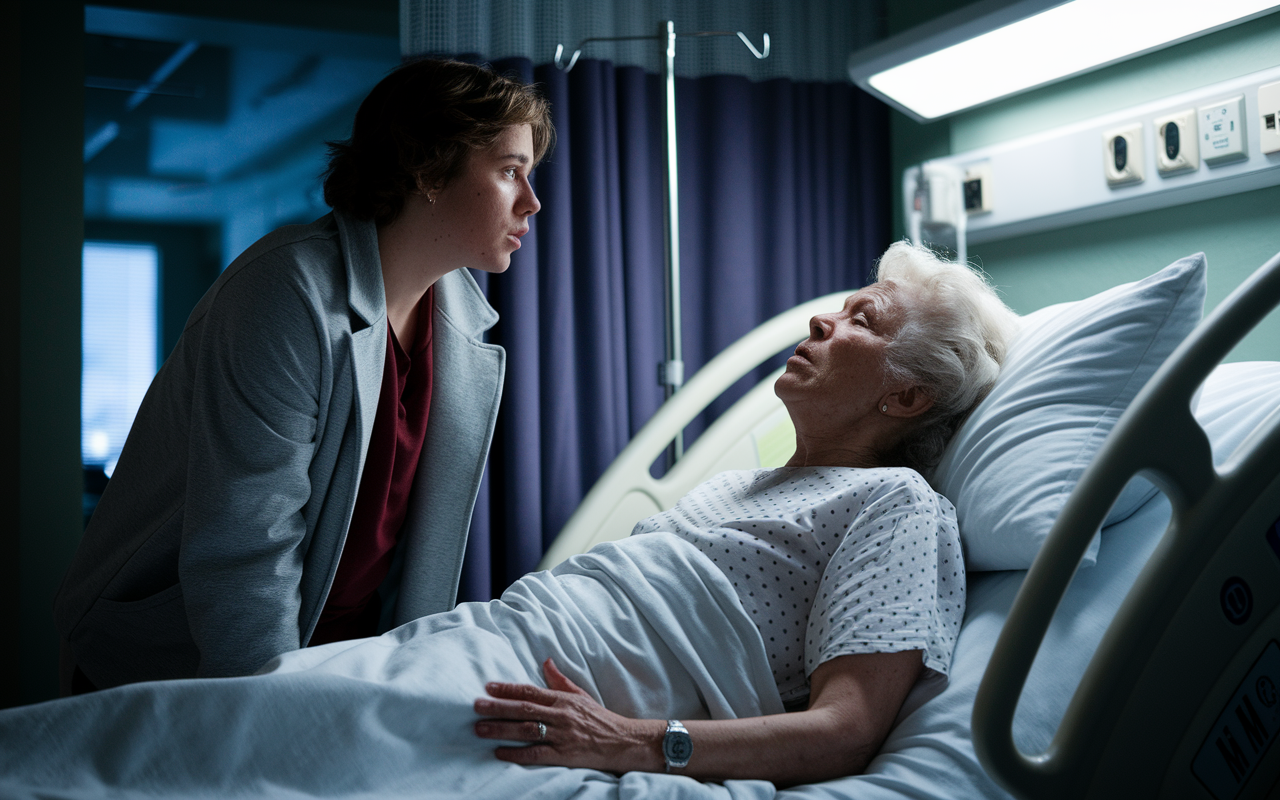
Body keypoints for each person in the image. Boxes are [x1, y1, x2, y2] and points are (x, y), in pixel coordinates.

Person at [54, 59, 554, 691]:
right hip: (176, 664)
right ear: (428, 167)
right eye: (511, 171)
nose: (532, 202)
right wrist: (276, 722)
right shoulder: (285, 295)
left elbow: (417, 566)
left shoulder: (457, 322)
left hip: (338, 664)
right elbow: (244, 558)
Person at [472, 240, 1021, 786]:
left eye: (863, 319)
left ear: (905, 398)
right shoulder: (734, 485)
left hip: (556, 694)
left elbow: (845, 730)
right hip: (515, 631)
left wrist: (625, 739)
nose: (820, 321)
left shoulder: (897, 504)